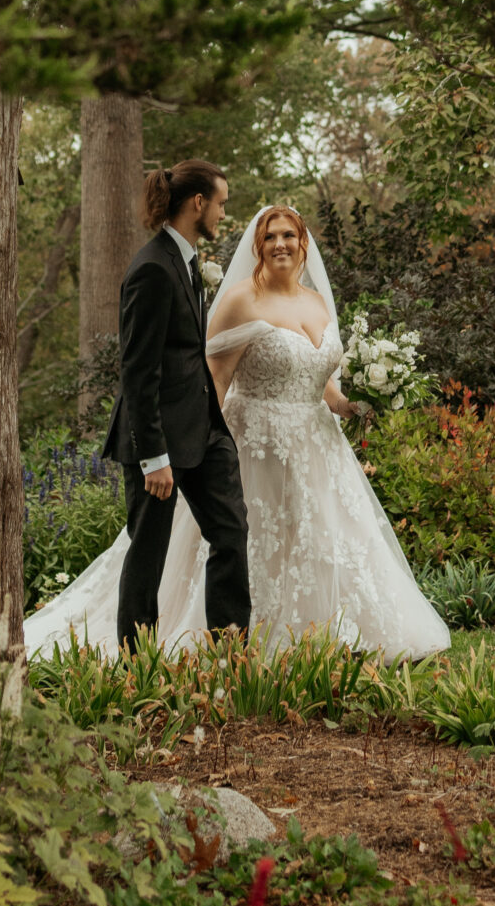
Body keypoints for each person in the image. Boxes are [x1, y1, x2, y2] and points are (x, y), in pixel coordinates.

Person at [25, 197, 448, 661]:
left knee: (320, 537)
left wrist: (347, 404)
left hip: (316, 444)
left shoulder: (317, 302)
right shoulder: (240, 301)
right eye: (270, 236)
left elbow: (317, 374)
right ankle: (227, 640)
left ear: (303, 243)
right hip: (255, 442)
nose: (280, 244)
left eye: (289, 235)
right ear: (258, 245)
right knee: (242, 537)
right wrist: (200, 446)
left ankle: (323, 631)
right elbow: (213, 381)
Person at [100, 158, 252, 651]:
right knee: (148, 555)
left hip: (204, 432)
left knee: (230, 533)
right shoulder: (150, 268)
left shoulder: (185, 262)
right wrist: (154, 457)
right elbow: (138, 371)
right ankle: (136, 668)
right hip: (159, 443)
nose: (224, 215)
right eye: (222, 205)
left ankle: (231, 651)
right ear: (198, 203)